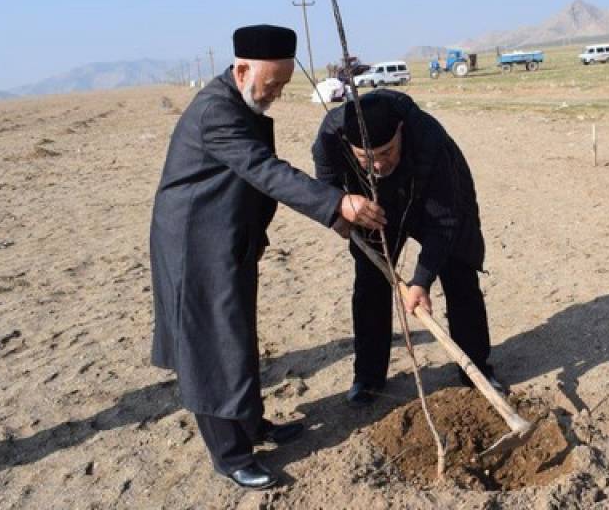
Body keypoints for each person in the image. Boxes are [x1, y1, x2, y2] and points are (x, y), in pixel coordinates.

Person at [149, 24, 385, 490]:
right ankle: (231, 455)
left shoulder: (243, 102)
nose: (276, 94)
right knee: (211, 346)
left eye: (283, 85)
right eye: (272, 84)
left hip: (230, 239)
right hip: (195, 246)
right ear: (241, 71)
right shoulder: (217, 111)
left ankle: (252, 425)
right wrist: (336, 204)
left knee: (237, 337)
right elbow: (264, 169)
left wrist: (328, 217)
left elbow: (254, 179)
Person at [311, 89, 502, 406]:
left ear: (400, 130)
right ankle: (368, 377)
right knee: (370, 282)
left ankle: (477, 371)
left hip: (437, 200)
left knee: (460, 275)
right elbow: (327, 176)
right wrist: (336, 208)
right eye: (365, 158)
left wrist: (421, 281)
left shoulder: (430, 138)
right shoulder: (332, 135)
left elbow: (445, 222)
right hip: (374, 208)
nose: (377, 164)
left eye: (386, 152)